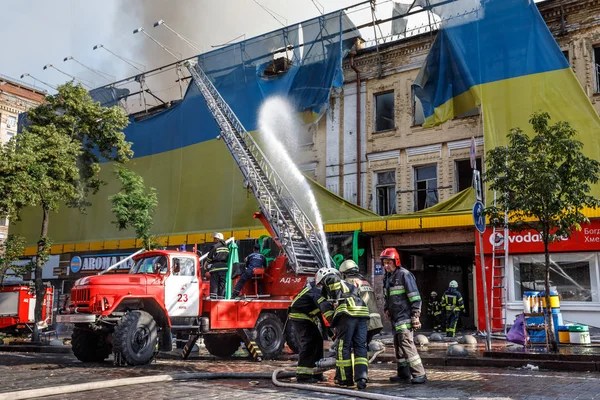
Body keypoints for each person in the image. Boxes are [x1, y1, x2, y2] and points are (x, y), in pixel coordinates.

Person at [316, 266, 369, 390]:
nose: (320, 286)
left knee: (342, 347)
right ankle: (361, 378)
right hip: (362, 314)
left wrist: (333, 327)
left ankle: (345, 379)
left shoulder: (330, 280)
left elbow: (328, 312)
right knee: (360, 347)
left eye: (320, 283)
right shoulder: (348, 285)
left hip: (348, 314)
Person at [381, 248, 427, 384]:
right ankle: (403, 374)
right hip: (395, 317)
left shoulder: (404, 275)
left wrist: (415, 315)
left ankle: (420, 374)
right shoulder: (387, 277)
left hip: (405, 316)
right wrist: (386, 309)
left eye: (389, 262)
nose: (386, 265)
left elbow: (415, 297)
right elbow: (387, 297)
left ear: (396, 261)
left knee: (406, 343)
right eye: (384, 263)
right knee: (398, 345)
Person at [288, 278, 329, 383]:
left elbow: (321, 316)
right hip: (299, 315)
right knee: (309, 342)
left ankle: (317, 373)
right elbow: (326, 311)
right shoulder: (316, 290)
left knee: (318, 341)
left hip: (307, 316)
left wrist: (329, 335)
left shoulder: (320, 291)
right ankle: (303, 376)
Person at [338, 259, 383, 345]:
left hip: (362, 321)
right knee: (362, 348)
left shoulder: (349, 282)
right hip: (375, 321)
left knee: (353, 348)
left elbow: (346, 301)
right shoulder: (365, 281)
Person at [205, 232, 230, 299]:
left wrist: (206, 263)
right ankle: (221, 297)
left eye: (215, 238)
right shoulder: (227, 247)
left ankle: (213, 298)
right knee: (222, 283)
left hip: (215, 267)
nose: (214, 240)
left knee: (214, 283)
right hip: (224, 267)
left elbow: (209, 257)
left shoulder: (215, 246)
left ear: (218, 239)